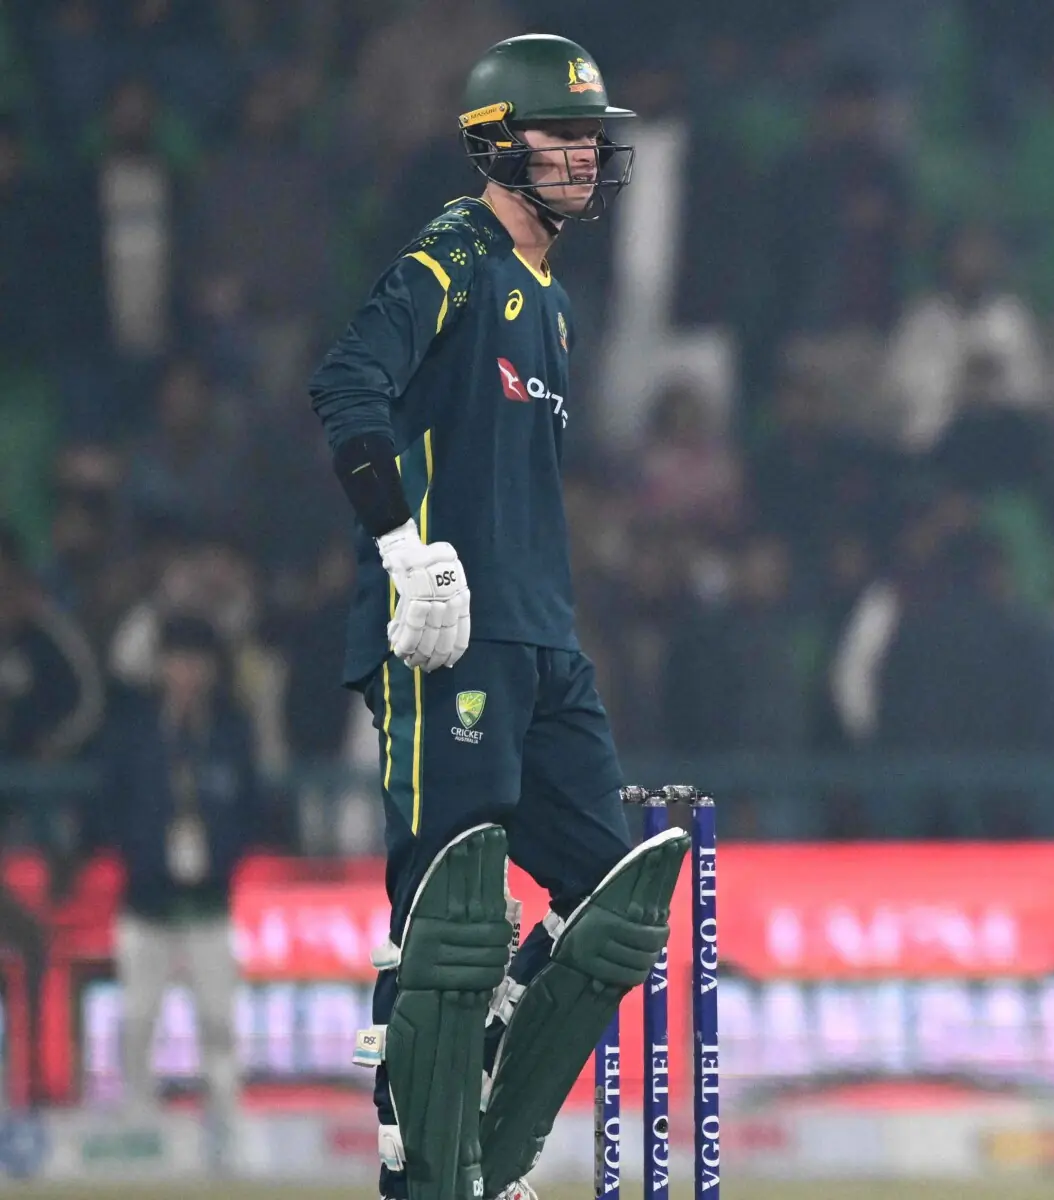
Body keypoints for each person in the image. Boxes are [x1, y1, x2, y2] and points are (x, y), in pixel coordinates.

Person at [306, 35, 690, 1200]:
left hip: (544, 641)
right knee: (447, 912)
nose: (584, 155)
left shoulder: (557, 305)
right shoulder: (451, 257)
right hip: (443, 632)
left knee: (611, 904)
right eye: (561, 134)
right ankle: (419, 1167)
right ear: (495, 143)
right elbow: (345, 384)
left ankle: (479, 1117)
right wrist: (401, 552)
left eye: (591, 137)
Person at [101, 615, 253, 1156]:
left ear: (209, 669)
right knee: (138, 1018)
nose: (186, 672)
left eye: (195, 661)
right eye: (176, 660)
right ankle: (137, 1121)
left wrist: (218, 857)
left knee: (218, 1020)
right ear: (162, 666)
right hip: (146, 903)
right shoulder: (136, 731)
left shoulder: (230, 731)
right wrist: (145, 858)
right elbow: (112, 806)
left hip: (209, 902)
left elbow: (251, 807)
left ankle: (226, 1127)